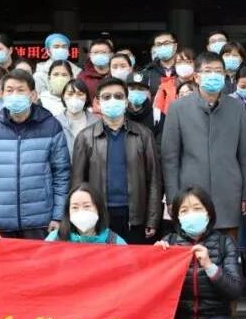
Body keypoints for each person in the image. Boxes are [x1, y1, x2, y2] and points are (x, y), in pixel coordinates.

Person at [156, 187, 242, 319]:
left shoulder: (224, 243)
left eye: (197, 208)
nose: (191, 214)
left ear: (208, 213)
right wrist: (155, 261)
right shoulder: (169, 243)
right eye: (184, 211)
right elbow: (152, 292)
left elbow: (235, 290)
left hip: (214, 316)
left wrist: (210, 266)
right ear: (177, 217)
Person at [0, 69, 70, 239]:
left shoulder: (51, 126)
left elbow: (61, 174)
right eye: (9, 90)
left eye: (20, 90)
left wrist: (58, 215)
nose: (14, 95)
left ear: (32, 95)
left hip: (41, 221)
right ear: (2, 94)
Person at [161, 52, 246, 234]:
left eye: (218, 71)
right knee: (192, 247)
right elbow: (170, 158)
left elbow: (245, 156)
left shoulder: (237, 107)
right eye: (208, 71)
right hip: (191, 196)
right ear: (196, 77)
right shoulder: (178, 108)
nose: (214, 75)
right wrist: (172, 197)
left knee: (228, 247)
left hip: (229, 194)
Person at [70, 77, 162, 243]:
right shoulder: (85, 137)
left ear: (126, 102)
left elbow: (154, 179)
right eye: (106, 97)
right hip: (97, 215)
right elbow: (77, 183)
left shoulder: (143, 134)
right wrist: (79, 217)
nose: (112, 100)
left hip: (134, 217)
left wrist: (152, 218)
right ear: (98, 103)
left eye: (118, 96)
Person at [46, 184, 126, 244]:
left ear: (98, 209)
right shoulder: (55, 238)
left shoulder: (115, 242)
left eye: (87, 206)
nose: (81, 211)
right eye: (75, 207)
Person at [55, 78, 98, 156]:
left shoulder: (97, 122)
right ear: (63, 97)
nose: (74, 98)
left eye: (80, 94)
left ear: (86, 98)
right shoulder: (55, 122)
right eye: (70, 94)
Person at [154, 48, 196, 114]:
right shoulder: (164, 87)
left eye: (188, 62)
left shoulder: (201, 84)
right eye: (179, 62)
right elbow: (157, 111)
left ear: (194, 64)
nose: (183, 65)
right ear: (175, 65)